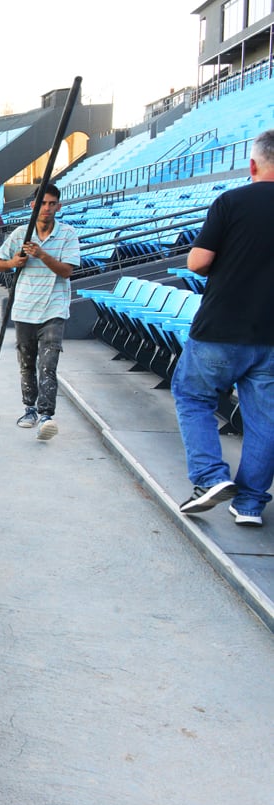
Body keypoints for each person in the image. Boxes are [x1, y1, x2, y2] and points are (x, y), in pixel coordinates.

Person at [171, 129, 274, 525]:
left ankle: (211, 477)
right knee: (265, 419)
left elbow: (196, 263)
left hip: (221, 327)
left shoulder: (231, 201)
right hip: (271, 335)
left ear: (252, 164)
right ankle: (249, 505)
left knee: (193, 395)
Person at [0, 184, 80, 441]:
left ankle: (46, 416)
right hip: (24, 308)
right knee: (27, 363)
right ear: (33, 206)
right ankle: (29, 408)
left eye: (52, 204)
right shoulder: (21, 233)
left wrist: (42, 255)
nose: (47, 208)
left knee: (49, 364)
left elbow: (67, 271)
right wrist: (13, 263)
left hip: (54, 307)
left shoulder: (68, 234)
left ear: (59, 207)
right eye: (43, 203)